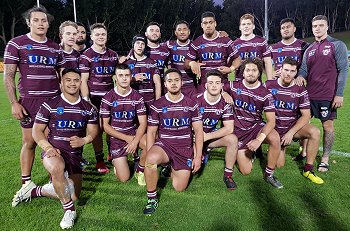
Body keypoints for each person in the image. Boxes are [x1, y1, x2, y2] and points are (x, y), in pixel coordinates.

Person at [12, 68, 99, 229]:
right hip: (54, 151)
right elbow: (36, 131)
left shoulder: (89, 108)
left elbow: (94, 130)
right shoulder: (50, 105)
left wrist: (84, 140)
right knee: (57, 167)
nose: (72, 83)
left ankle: (34, 191)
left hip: (74, 155)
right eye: (68, 80)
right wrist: (47, 147)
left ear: (80, 83)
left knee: (74, 195)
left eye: (76, 80)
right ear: (61, 83)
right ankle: (69, 212)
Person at [4, 6, 65, 201]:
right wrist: (14, 103)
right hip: (29, 101)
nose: (40, 23)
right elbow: (9, 76)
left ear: (48, 23)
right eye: (36, 20)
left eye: (44, 20)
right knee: (29, 142)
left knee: (53, 141)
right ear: (28, 23)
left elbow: (62, 76)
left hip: (52, 101)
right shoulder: (17, 44)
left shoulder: (55, 47)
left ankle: (53, 180)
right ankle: (26, 184)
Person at [143, 68, 203, 215]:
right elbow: (151, 131)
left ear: (182, 82)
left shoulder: (191, 103)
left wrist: (197, 157)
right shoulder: (157, 105)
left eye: (176, 80)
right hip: (165, 145)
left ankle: (169, 167)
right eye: (170, 80)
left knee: (179, 188)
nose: (174, 83)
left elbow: (199, 132)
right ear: (165, 84)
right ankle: (152, 197)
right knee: (150, 160)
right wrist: (151, 152)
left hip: (184, 148)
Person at [296, 15, 349, 172]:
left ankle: (325, 158)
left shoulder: (336, 45)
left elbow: (343, 69)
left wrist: (339, 94)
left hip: (327, 95)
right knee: (303, 123)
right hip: (309, 94)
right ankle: (304, 152)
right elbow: (304, 69)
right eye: (315, 26)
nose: (317, 28)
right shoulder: (310, 49)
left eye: (320, 25)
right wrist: (300, 76)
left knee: (327, 126)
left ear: (327, 27)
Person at [225, 58, 283, 189]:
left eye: (254, 70)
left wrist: (259, 139)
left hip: (255, 127)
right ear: (243, 73)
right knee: (246, 171)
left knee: (274, 138)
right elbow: (215, 87)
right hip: (238, 130)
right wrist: (223, 92)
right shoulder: (233, 86)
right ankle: (253, 154)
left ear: (259, 73)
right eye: (248, 70)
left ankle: (269, 174)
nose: (250, 73)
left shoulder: (265, 94)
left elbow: (271, 121)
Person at [265, 58, 324, 184]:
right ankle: (268, 147)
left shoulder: (300, 90)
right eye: (286, 70)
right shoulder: (269, 85)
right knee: (279, 164)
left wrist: (291, 133)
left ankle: (308, 170)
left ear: (296, 72)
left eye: (292, 71)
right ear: (280, 70)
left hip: (290, 127)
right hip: (273, 128)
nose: (288, 74)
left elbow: (306, 115)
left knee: (315, 132)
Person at [80, 23, 119, 173]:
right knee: (96, 130)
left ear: (106, 36)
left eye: (103, 34)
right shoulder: (86, 55)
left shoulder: (113, 54)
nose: (100, 37)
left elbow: (117, 75)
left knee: (111, 128)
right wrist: (86, 99)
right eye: (97, 34)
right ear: (91, 37)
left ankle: (112, 154)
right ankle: (100, 161)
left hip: (110, 98)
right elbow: (84, 80)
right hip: (94, 98)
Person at [269, 18, 310, 159]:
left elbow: (307, 65)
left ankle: (303, 151)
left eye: (288, 27)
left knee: (303, 117)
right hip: (278, 88)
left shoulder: (303, 45)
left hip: (297, 88)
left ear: (294, 29)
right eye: (283, 27)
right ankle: (274, 143)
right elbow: (263, 63)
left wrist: (302, 75)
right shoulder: (273, 47)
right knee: (278, 115)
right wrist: (270, 73)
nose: (285, 29)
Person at [100, 64, 147, 183]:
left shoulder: (137, 96)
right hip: (117, 136)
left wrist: (135, 140)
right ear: (115, 78)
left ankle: (140, 169)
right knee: (124, 178)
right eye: (121, 75)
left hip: (133, 132)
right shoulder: (108, 97)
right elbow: (105, 126)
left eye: (127, 75)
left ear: (131, 77)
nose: (124, 78)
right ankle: (118, 159)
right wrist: (127, 138)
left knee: (150, 144)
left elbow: (143, 122)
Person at [196, 69, 238, 189]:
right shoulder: (195, 100)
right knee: (190, 172)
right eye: (211, 83)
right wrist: (199, 138)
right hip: (194, 137)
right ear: (205, 85)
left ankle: (228, 175)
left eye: (217, 83)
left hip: (210, 136)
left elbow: (229, 128)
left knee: (232, 139)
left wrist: (207, 137)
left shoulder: (226, 103)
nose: (214, 86)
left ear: (221, 85)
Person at [184, 11, 241, 93]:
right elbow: (186, 63)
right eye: (205, 23)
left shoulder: (225, 40)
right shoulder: (196, 43)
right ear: (202, 25)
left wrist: (230, 69)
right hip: (203, 85)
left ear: (215, 23)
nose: (208, 25)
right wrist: (191, 63)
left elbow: (237, 58)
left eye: (210, 22)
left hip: (222, 84)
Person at [233, 13, 273, 81]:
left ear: (253, 26)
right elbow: (232, 65)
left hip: (256, 82)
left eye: (249, 24)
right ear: (240, 27)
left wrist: (270, 81)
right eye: (243, 24)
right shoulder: (234, 44)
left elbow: (267, 62)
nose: (246, 26)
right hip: (239, 83)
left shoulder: (261, 42)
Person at [165, 20, 197, 96]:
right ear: (176, 33)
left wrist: (219, 34)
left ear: (189, 32)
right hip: (174, 86)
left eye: (184, 29)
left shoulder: (195, 46)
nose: (182, 32)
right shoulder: (169, 45)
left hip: (191, 87)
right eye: (179, 30)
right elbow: (154, 47)